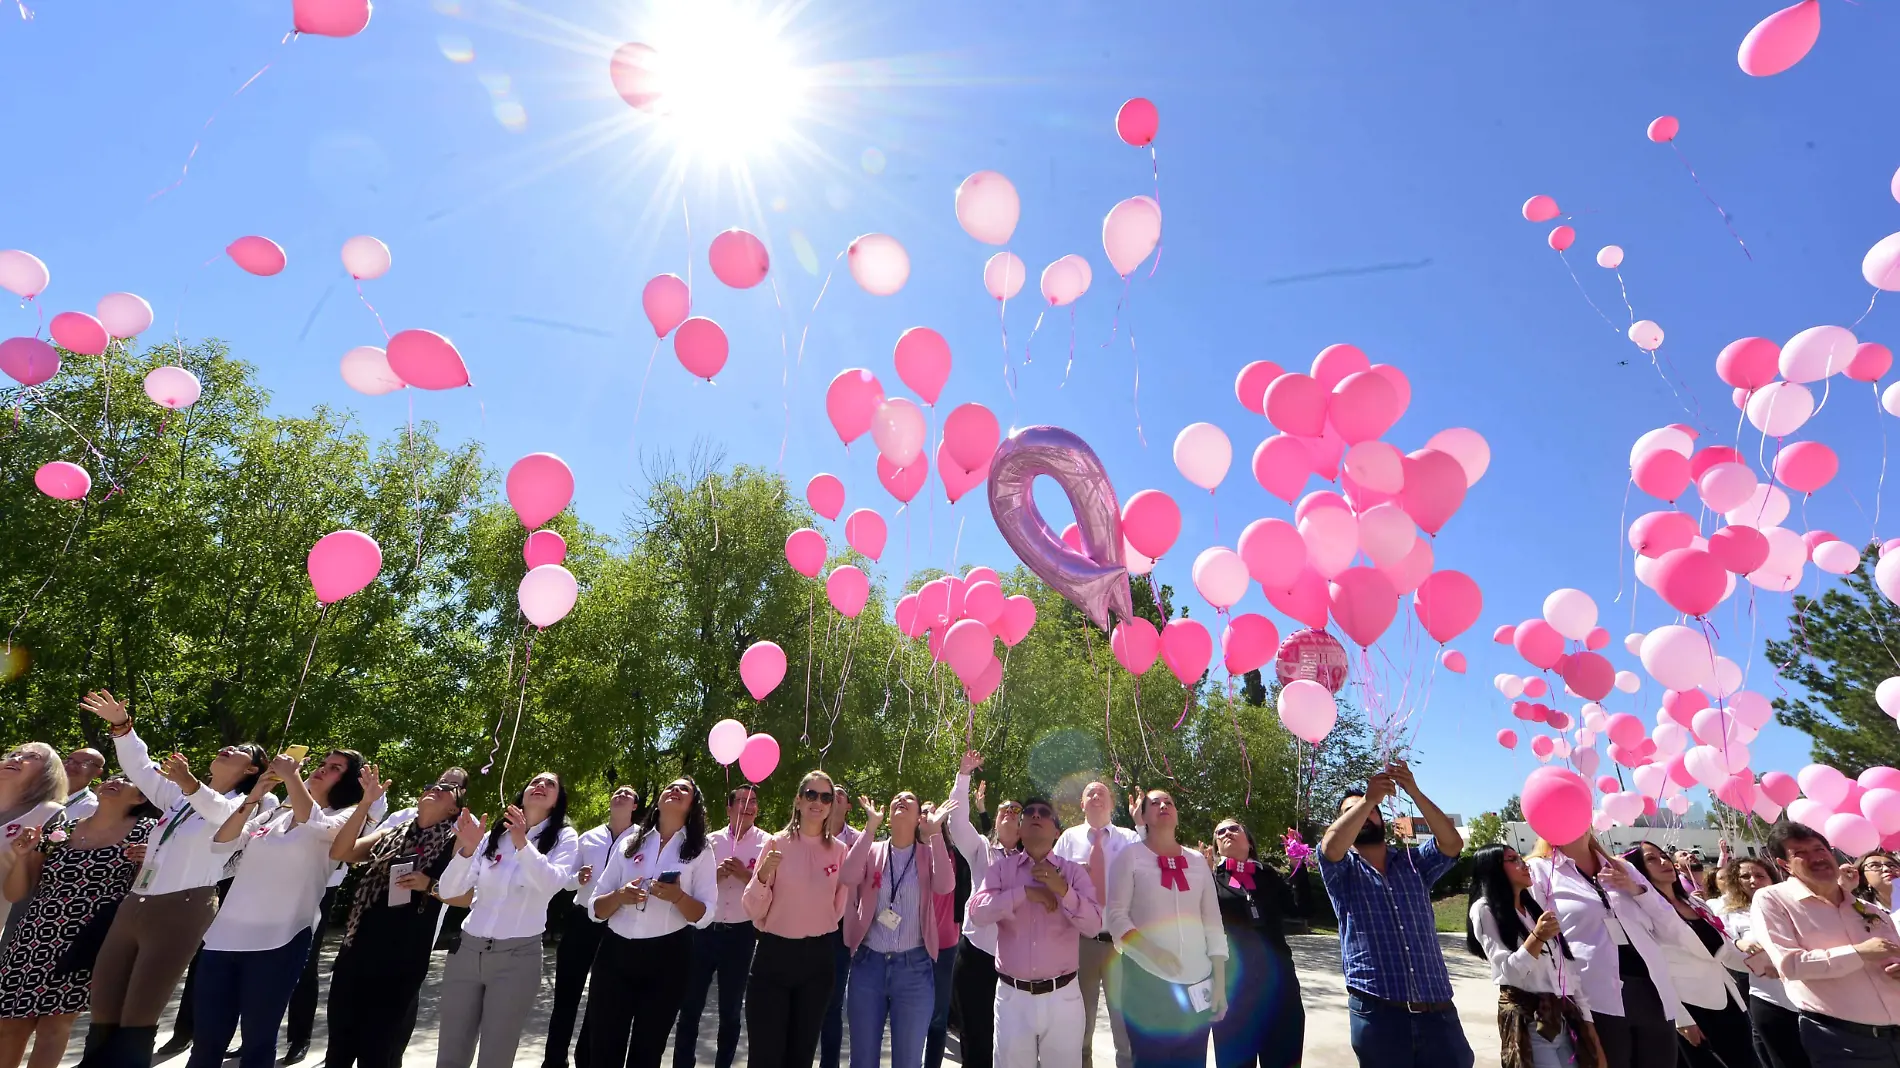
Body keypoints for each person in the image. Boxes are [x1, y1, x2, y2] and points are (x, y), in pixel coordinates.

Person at [77, 689, 267, 1068]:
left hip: (183, 907)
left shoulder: (253, 803)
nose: (229, 748)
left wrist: (192, 784)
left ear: (252, 771)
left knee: (140, 1008)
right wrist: (121, 726)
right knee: (105, 1000)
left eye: (242, 750)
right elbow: (140, 769)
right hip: (135, 903)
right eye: (228, 745)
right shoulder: (179, 798)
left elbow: (222, 820)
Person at [186, 750, 363, 1068]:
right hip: (223, 939)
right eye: (322, 764)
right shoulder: (275, 815)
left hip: (279, 941)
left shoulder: (345, 817)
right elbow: (222, 843)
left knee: (258, 1042)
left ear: (348, 782)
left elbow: (317, 825)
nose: (322, 770)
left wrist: (293, 777)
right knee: (207, 1041)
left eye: (334, 768)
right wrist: (254, 796)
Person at [1318, 762, 1473, 1068]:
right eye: (1353, 811)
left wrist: (1412, 790)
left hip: (1437, 1011)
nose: (1365, 813)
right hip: (1379, 1014)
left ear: (1384, 820)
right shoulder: (1342, 870)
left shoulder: (1413, 862)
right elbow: (1330, 848)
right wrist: (1367, 799)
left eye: (1373, 809)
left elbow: (1452, 844)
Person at [0, 777, 158, 1068]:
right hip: (35, 935)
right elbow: (16, 893)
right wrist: (22, 857)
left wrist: (151, 863)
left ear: (139, 799)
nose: (116, 781)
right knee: (9, 1023)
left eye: (128, 781)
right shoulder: (61, 829)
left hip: (92, 937)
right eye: (114, 777)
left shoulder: (146, 833)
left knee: (54, 1025)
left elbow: (149, 891)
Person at [434, 771, 579, 1068]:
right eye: (535, 781)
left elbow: (550, 883)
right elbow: (449, 890)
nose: (540, 785)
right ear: (522, 793)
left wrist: (523, 843)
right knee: (451, 1052)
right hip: (467, 952)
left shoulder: (564, 837)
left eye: (550, 784)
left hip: (517, 958)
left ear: (557, 800)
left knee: (496, 1056)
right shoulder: (493, 836)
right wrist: (467, 850)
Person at [324, 769, 466, 1068]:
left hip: (403, 957)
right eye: (432, 784)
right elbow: (342, 851)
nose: (436, 788)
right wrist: (365, 804)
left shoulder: (456, 843)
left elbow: (467, 898)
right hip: (359, 946)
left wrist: (429, 885)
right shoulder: (393, 832)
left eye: (446, 789)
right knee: (340, 1043)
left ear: (454, 808)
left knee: (378, 1048)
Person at [1527, 832, 1693, 1068]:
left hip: (1652, 991)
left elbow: (1672, 927)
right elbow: (1543, 940)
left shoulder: (1621, 867)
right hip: (1595, 998)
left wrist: (1635, 889)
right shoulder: (1539, 870)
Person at [588, 777, 716, 1068]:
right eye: (671, 786)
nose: (676, 790)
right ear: (658, 800)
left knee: (647, 1051)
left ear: (693, 805)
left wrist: (678, 897)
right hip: (614, 954)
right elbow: (595, 907)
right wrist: (619, 896)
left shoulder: (701, 849)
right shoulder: (630, 843)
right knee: (603, 1047)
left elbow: (705, 915)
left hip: (668, 959)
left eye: (685, 789)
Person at [969, 793, 1101, 1068]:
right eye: (1029, 813)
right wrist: (1024, 893)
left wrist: (1062, 890)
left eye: (1044, 812)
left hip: (1063, 997)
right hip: (1012, 998)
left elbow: (1093, 925)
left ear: (1056, 831)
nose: (1036, 816)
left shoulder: (1074, 874)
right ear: (1020, 828)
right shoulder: (1001, 870)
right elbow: (977, 913)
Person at [1752, 822, 1900, 1066]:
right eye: (1801, 853)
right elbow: (1790, 965)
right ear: (1783, 864)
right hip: (1844, 1042)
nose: (1817, 858)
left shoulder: (1870, 910)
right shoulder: (1773, 900)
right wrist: (1858, 953)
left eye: (1819, 849)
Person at [1105, 788, 1226, 1068]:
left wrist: (1219, 983)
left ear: (1177, 814)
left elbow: (1213, 924)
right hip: (1146, 983)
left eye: (1169, 802)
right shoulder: (1130, 856)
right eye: (1154, 802)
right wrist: (1153, 952)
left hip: (1197, 983)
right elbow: (1117, 917)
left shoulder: (1197, 861)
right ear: (1143, 815)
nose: (1163, 805)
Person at [744, 770, 850, 1068]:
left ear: (832, 805)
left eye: (826, 797)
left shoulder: (840, 852)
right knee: (765, 1056)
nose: (818, 802)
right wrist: (763, 875)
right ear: (799, 800)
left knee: (800, 1057)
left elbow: (838, 907)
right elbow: (753, 909)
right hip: (773, 958)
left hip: (817, 961)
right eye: (811, 795)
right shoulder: (776, 844)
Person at [842, 790, 955, 1068]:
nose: (901, 801)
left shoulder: (928, 854)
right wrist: (870, 827)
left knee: (907, 1061)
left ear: (919, 817)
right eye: (896, 799)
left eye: (910, 799)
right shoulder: (872, 849)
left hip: (914, 970)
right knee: (863, 1060)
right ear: (888, 815)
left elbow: (945, 885)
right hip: (869, 966)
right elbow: (847, 876)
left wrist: (937, 832)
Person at [1464, 844, 1600, 1068]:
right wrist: (1537, 937)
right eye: (1513, 859)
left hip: (1561, 1020)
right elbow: (1510, 972)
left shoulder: (1533, 908)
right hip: (1529, 1023)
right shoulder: (1484, 909)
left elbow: (1565, 969)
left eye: (1520, 858)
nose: (1524, 864)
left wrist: (1586, 1019)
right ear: (1493, 868)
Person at [1623, 842, 1756, 1068]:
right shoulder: (1639, 912)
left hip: (1727, 999)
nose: (1664, 862)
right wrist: (1682, 1019)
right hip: (1691, 1008)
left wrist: (1764, 964)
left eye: (1663, 856)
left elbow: (1722, 950)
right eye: (1651, 859)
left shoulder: (1695, 902)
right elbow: (1653, 968)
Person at [545, 785, 641, 1068]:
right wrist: (578, 878)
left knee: (601, 1001)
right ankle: (553, 1060)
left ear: (635, 805)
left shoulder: (642, 839)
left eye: (628, 793)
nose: (621, 794)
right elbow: (566, 879)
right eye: (617, 791)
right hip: (581, 920)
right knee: (566, 996)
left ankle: (585, 1059)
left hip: (616, 925)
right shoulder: (588, 838)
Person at [675, 782, 767, 1068]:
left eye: (753, 802)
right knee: (690, 1007)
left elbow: (772, 886)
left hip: (741, 935)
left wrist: (745, 874)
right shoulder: (708, 842)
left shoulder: (768, 843)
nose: (748, 806)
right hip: (703, 930)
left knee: (730, 1011)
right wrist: (714, 875)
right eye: (741, 800)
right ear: (729, 808)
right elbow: (689, 886)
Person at [1051, 781, 1140, 1068]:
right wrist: (1074, 881)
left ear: (1112, 804)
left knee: (1124, 1024)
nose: (1096, 796)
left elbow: (1148, 871)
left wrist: (1141, 824)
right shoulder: (1068, 839)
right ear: (1082, 804)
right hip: (1081, 943)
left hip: (1122, 944)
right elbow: (1055, 885)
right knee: (1081, 1024)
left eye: (1102, 792)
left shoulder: (1129, 838)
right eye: (1090, 792)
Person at [1201, 819, 1301, 1068]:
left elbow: (1300, 909)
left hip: (1279, 988)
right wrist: (1200, 879)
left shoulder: (1268, 875)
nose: (1227, 833)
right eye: (1220, 832)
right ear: (1216, 846)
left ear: (1249, 841)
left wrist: (1297, 866)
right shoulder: (1210, 879)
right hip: (1234, 991)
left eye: (1234, 828)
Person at [946, 753, 1021, 1068]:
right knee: (975, 1039)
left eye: (1016, 810)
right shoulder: (980, 848)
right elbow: (957, 821)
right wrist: (963, 776)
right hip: (975, 955)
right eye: (1003, 807)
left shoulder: (1032, 861)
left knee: (1008, 1041)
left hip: (1015, 962)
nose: (1007, 812)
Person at [1712, 857, 1810, 1068]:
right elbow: (1724, 945)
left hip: (1808, 993)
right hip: (1768, 995)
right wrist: (1739, 943)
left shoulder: (1793, 904)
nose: (1753, 880)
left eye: (1759, 875)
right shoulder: (1728, 913)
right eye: (1745, 876)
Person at [0, 744, 70, 936]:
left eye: (32, 756)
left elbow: (17, 895)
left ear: (48, 773)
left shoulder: (48, 815)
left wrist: (22, 858)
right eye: (14, 754)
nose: (17, 759)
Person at [819, 780, 857, 1068]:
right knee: (804, 1004)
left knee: (832, 1006)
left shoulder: (860, 841)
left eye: (839, 795)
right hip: (805, 927)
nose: (835, 798)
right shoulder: (808, 834)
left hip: (841, 932)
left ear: (847, 807)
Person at [60, 750, 106, 822]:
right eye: (69, 760)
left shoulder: (91, 808)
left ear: (98, 772)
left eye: (85, 763)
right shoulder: (41, 789)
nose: (71, 765)